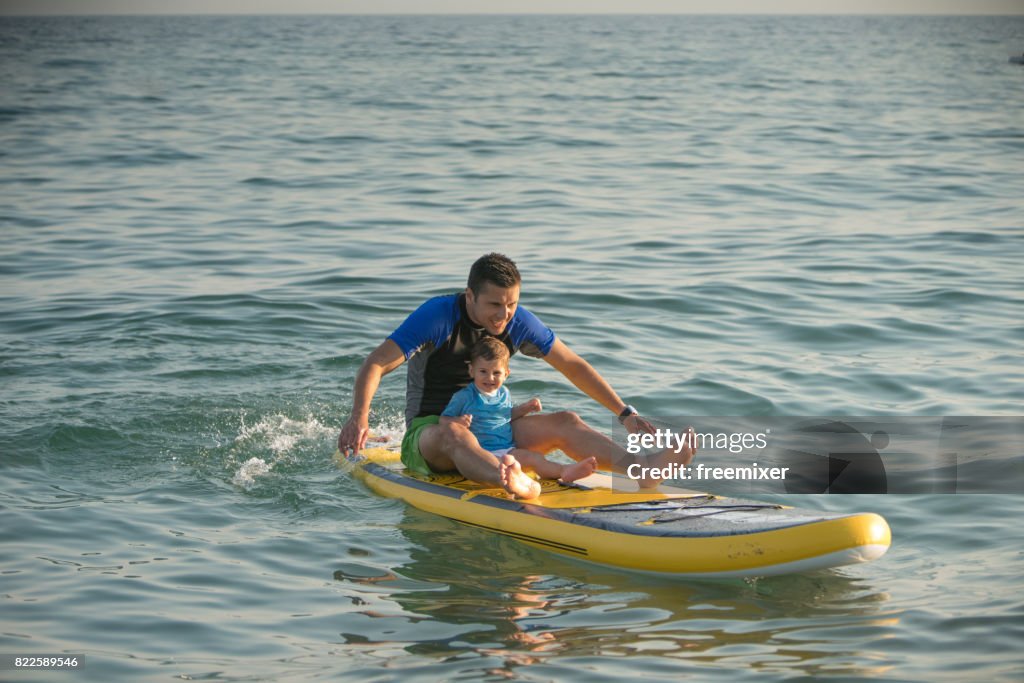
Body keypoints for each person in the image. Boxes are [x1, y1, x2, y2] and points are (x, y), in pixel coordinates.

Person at [337, 252, 696, 499]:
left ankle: (642, 469)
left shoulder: (517, 320)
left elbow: (572, 364)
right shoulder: (438, 315)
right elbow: (376, 362)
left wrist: (625, 413)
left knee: (565, 421)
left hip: (492, 426)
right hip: (431, 432)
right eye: (494, 305)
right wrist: (359, 417)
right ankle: (510, 479)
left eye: (511, 304)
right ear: (470, 296)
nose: (504, 315)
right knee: (454, 434)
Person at [441, 336, 598, 496]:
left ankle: (565, 471)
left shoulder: (504, 393)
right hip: (482, 453)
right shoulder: (464, 397)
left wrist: (525, 408)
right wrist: (457, 421)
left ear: (506, 374)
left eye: (496, 373)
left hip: (508, 449)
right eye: (483, 372)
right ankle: (519, 485)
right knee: (504, 468)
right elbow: (443, 420)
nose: (490, 378)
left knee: (535, 458)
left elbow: (507, 415)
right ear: (471, 370)